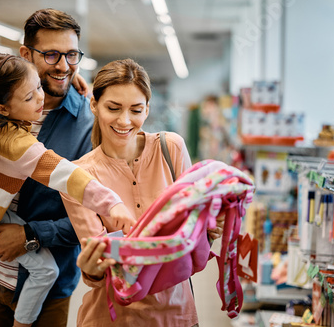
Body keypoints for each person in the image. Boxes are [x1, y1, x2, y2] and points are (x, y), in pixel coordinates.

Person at [0, 52, 135, 327]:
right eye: (29, 96)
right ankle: (23, 323)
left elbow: (3, 73)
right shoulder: (20, 145)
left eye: (38, 86)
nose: (40, 98)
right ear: (2, 107)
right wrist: (112, 203)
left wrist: (69, 81)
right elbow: (70, 176)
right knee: (46, 270)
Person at [0, 9, 99, 327]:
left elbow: (94, 217)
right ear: (26, 53)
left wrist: (29, 236)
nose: (64, 66)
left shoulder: (87, 124)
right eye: (51, 54)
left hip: (47, 287)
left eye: (72, 54)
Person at [62, 58, 224, 327]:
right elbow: (98, 271)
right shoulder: (80, 176)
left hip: (177, 315)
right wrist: (91, 269)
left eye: (136, 109)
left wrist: (207, 230)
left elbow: (195, 245)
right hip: (112, 319)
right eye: (113, 108)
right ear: (94, 105)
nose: (124, 120)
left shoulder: (170, 149)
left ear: (147, 109)